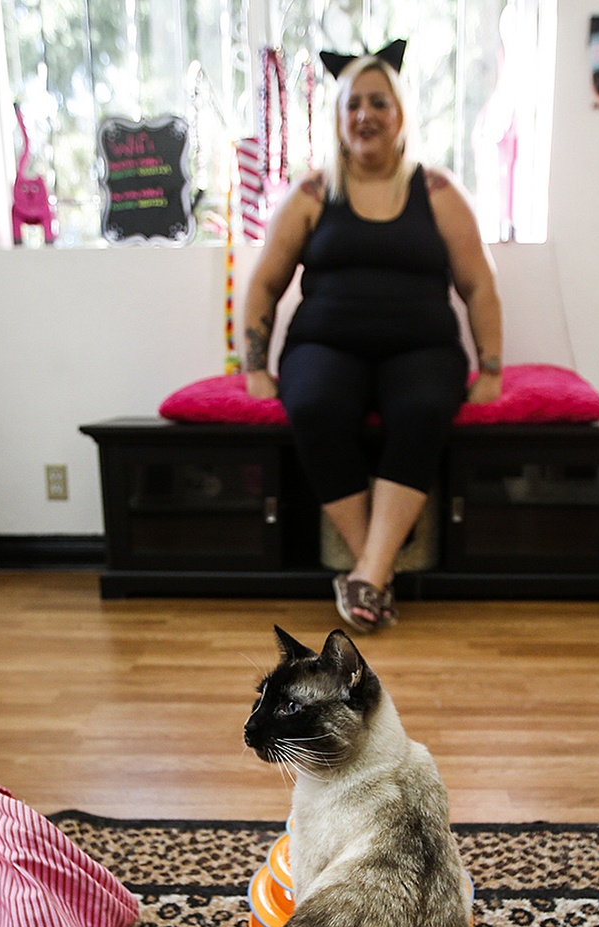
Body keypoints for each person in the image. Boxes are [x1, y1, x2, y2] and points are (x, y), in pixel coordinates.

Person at [242, 46, 502, 633]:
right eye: (353, 104)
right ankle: (374, 570)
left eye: (378, 102)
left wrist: (491, 369)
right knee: (313, 405)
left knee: (426, 407)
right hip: (324, 347)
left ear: (401, 113)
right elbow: (263, 285)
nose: (365, 115)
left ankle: (366, 574)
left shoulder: (438, 191)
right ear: (338, 117)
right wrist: (256, 368)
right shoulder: (311, 194)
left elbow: (479, 286)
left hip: (422, 349)